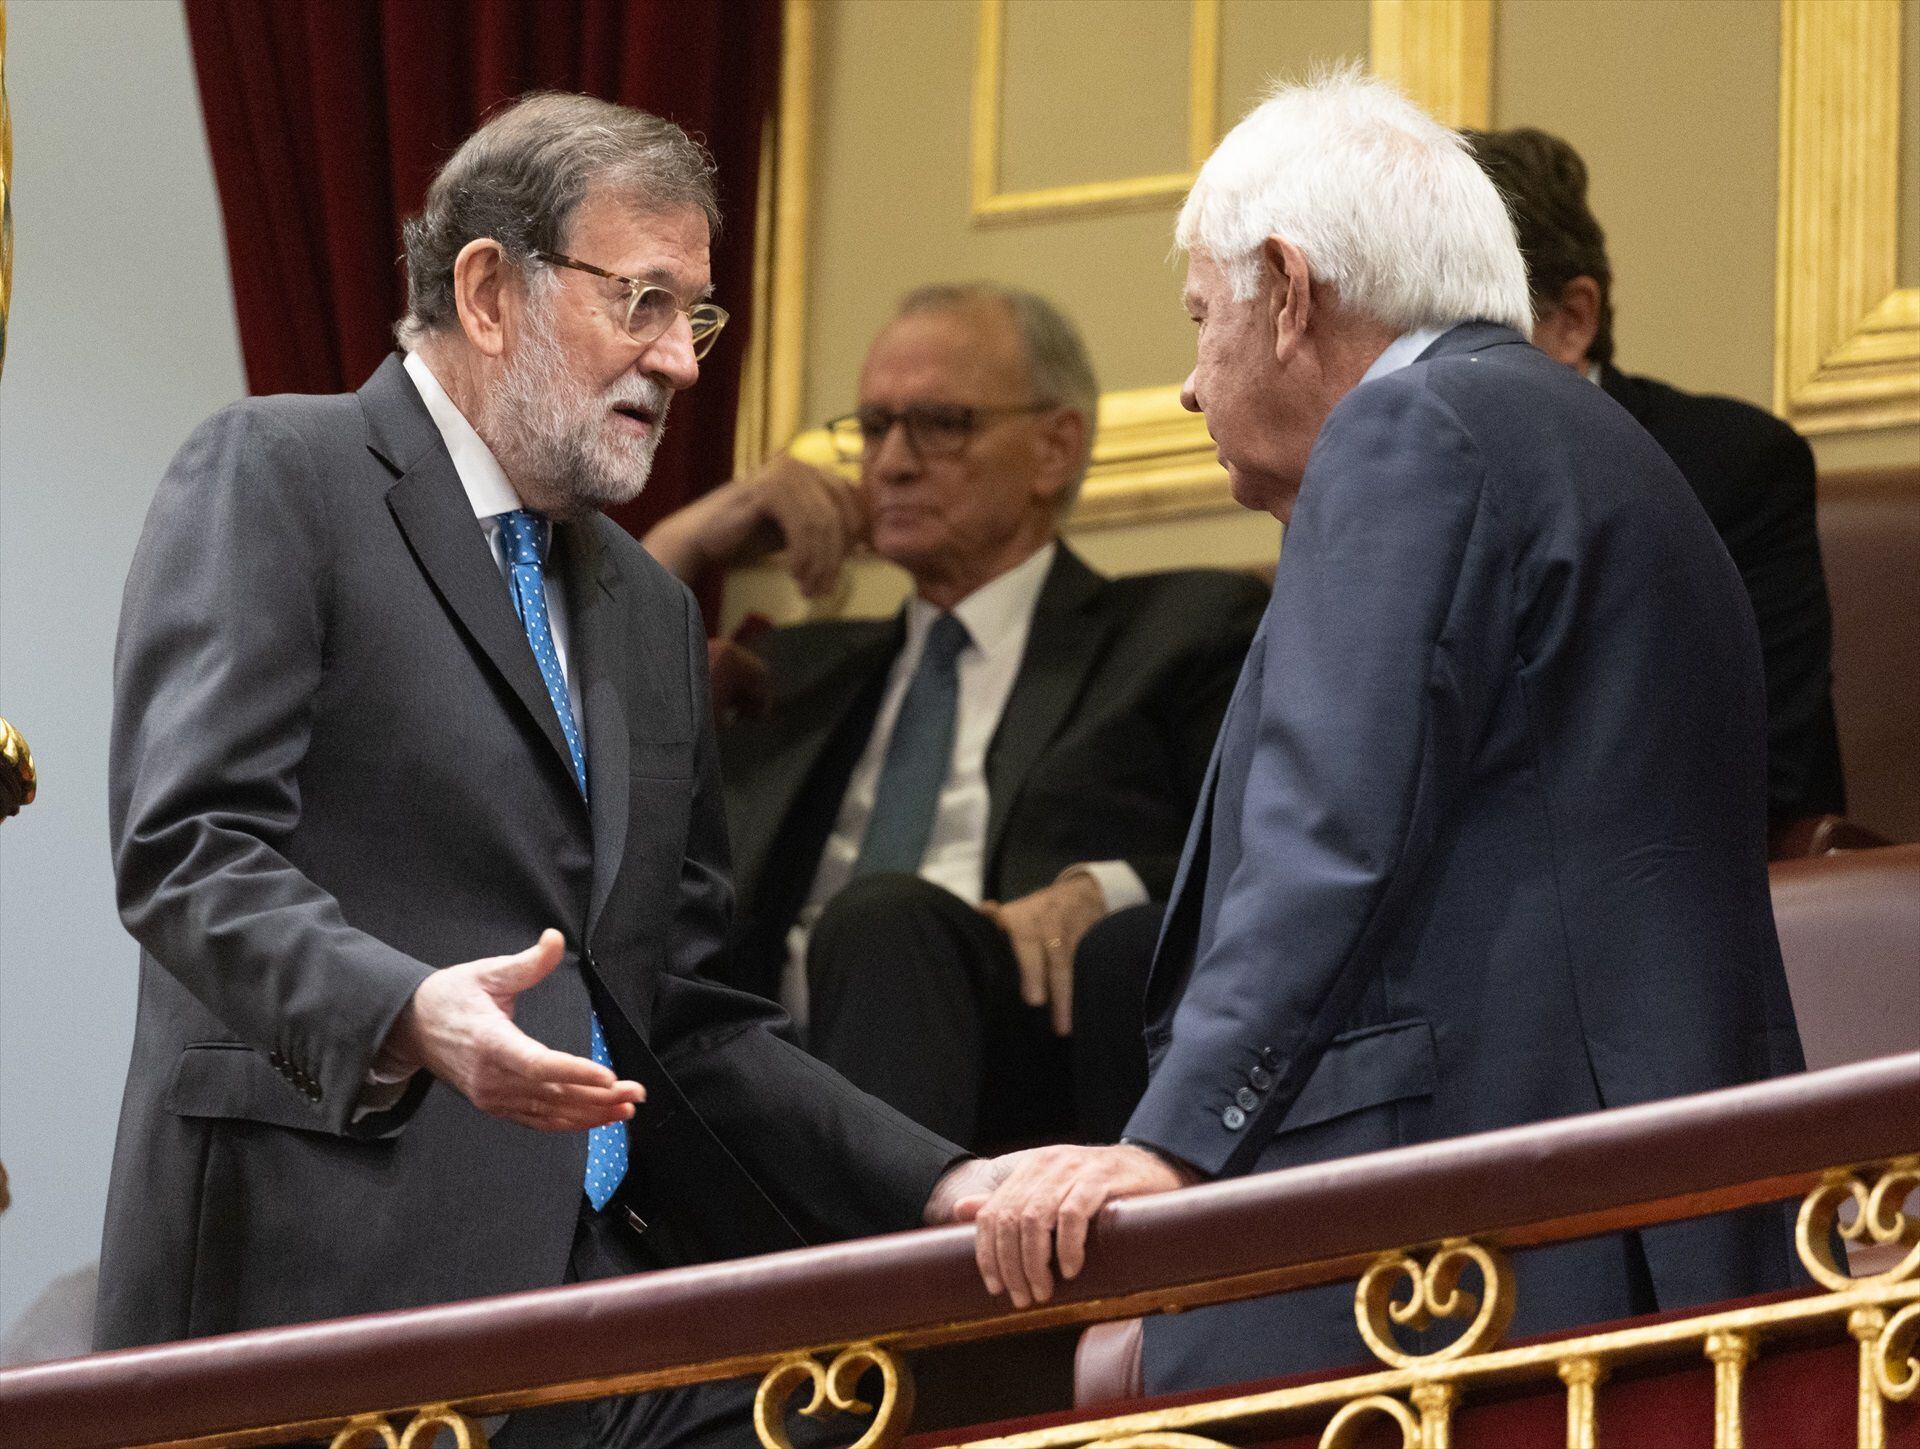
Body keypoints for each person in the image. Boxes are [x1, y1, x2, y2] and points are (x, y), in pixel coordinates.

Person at [97, 93, 991, 1448]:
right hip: (332, 1299)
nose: (679, 361)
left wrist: (950, 1186)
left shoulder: (644, 607)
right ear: (489, 290)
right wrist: (409, 1012)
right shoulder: (284, 474)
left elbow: (685, 1012)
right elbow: (189, 852)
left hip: (604, 1294)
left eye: (694, 316)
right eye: (640, 300)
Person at [959, 72, 1804, 1394]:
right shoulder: (1582, 438)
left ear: (1290, 290)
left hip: (1449, 1261)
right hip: (1658, 1230)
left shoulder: (1413, 425)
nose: (1186, 388)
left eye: (1201, 320)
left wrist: (1171, 1148)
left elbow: (1333, 826)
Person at [665, 283, 1265, 1151]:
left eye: (939, 423)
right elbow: (576, 795)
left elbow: (1265, 852)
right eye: (873, 429)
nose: (893, 464)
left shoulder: (1181, 628)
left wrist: (1109, 887)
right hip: (767, 1078)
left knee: (884, 922)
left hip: (1017, 1072)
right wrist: (687, 543)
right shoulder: (791, 672)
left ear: (1056, 447)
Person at [1466, 125, 1845, 839]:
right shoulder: (1374, 501)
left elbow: (1765, 776)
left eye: (1456, 330)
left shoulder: (1734, 469)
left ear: (1572, 319)